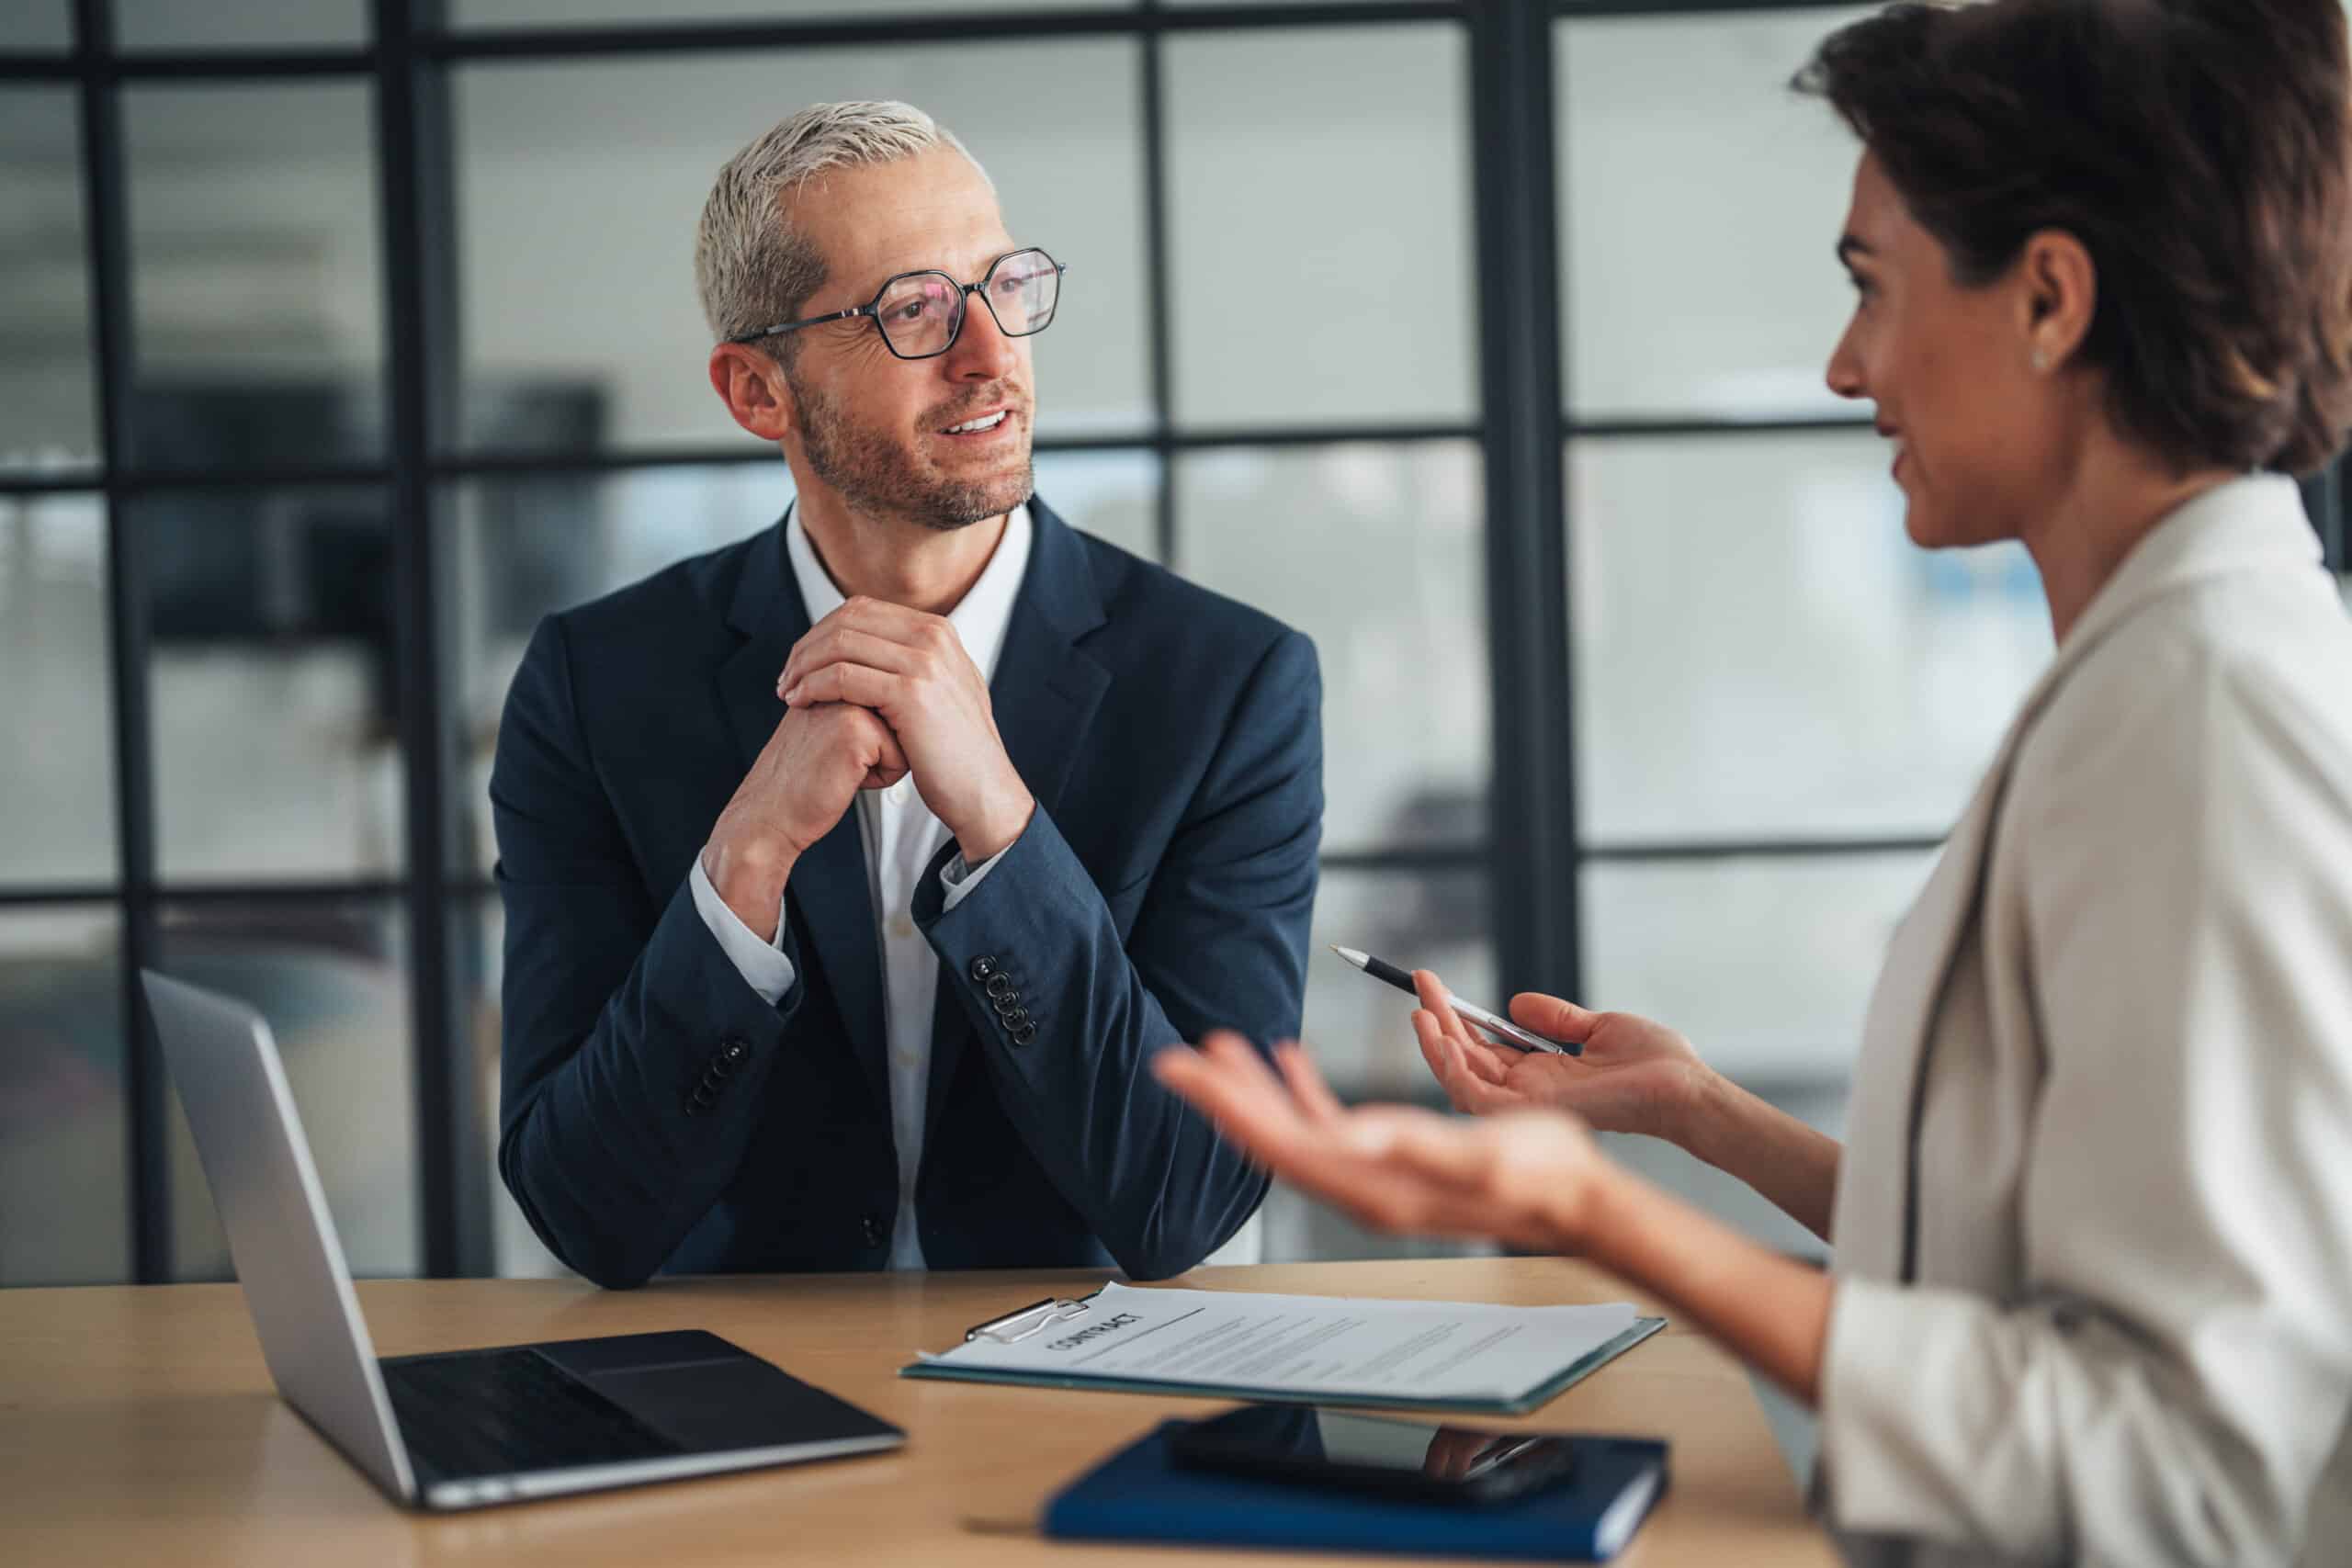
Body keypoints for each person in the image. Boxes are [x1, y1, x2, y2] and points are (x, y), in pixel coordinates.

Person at [1154, 2, 2352, 1562]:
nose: (1848, 365)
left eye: (1873, 288)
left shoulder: (2210, 720)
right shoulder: (2148, 677)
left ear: (2051, 296)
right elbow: (2007, 1268)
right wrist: (1698, 1115)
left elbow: (2173, 1465)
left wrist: (1588, 1218)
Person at [492, 102, 1321, 1289]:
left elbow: (1184, 1202)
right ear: (757, 394)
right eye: (915, 312)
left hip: (1092, 1424)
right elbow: (586, 1215)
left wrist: (1001, 826)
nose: (991, 356)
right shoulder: (593, 686)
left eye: (1004, 287)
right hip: (743, 1418)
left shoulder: (1232, 688)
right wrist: (745, 863)